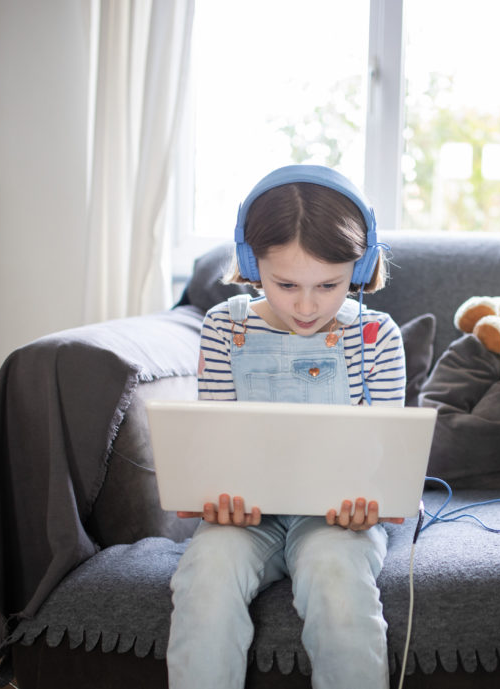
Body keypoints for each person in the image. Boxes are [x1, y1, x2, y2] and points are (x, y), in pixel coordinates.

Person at [166, 164, 406, 689]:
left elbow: (390, 460)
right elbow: (216, 444)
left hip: (338, 520)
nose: (306, 305)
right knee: (206, 572)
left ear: (360, 269)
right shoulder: (223, 328)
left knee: (336, 578)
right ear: (251, 264)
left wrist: (373, 499)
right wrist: (217, 494)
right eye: (286, 284)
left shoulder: (376, 336)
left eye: (329, 285)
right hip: (246, 518)